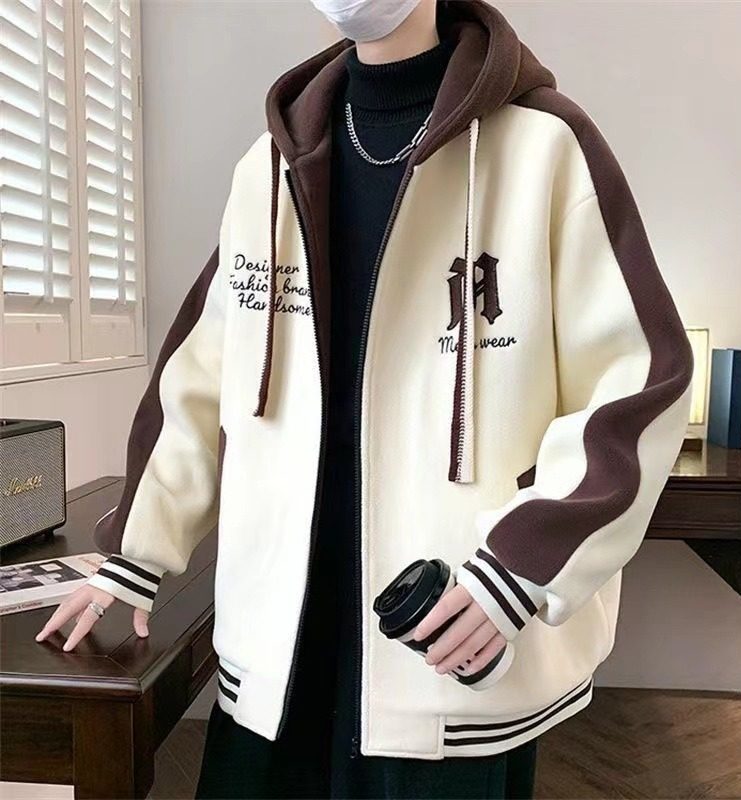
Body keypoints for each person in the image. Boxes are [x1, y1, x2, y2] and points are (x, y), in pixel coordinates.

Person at [34, 1, 694, 798]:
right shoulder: (270, 168)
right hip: (279, 640)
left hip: (447, 634)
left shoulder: (545, 148)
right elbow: (200, 382)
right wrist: (133, 555)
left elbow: (640, 380)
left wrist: (521, 563)